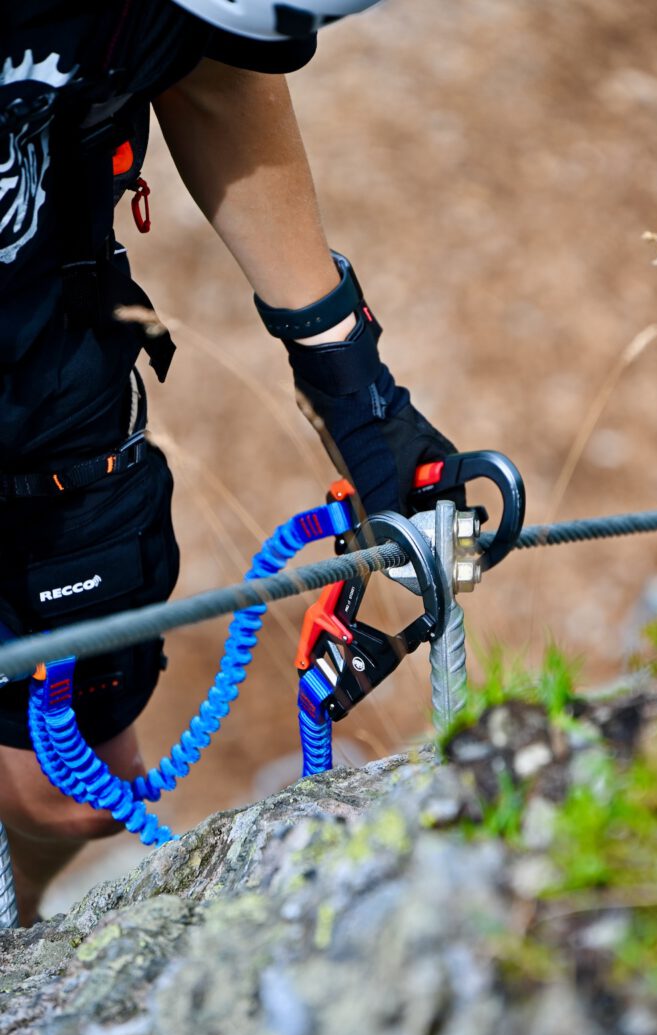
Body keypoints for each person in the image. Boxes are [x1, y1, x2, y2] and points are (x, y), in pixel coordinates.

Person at [0, 0, 462, 926]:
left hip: (47, 376)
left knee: (75, 789)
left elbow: (207, 75)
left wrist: (345, 375)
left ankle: (21, 948)